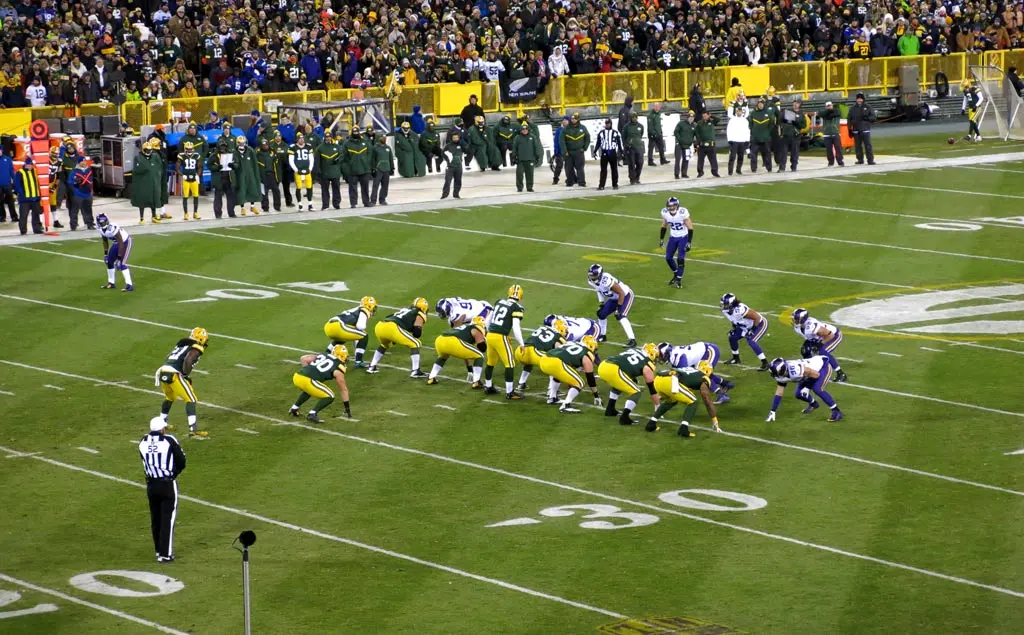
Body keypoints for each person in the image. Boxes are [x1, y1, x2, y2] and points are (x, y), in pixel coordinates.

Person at [139, 417, 186, 563]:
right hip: (167, 484)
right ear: (162, 429)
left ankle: (159, 550)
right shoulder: (169, 440)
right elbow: (182, 461)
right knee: (168, 519)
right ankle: (166, 554)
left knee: (156, 518)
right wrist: (173, 473)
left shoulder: (142, 441)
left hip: (151, 485)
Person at [155, 327, 210, 439]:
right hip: (174, 374)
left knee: (170, 397)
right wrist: (184, 374)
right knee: (191, 399)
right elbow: (188, 360)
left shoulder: (182, 344)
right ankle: (193, 429)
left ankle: (163, 424)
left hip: (163, 370)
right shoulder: (197, 347)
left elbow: (168, 357)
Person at [647, 364, 720, 436]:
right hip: (671, 381)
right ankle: (683, 429)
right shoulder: (704, 377)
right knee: (693, 402)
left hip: (658, 380)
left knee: (672, 401)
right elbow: (706, 397)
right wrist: (714, 420)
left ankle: (651, 424)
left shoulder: (689, 369)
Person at [598, 343, 661, 426]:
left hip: (604, 365)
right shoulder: (647, 364)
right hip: (613, 369)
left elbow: (626, 363)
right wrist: (658, 406)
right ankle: (624, 418)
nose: (656, 359)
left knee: (620, 384)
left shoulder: (634, 350)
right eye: (656, 356)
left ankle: (610, 409)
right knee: (636, 392)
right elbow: (652, 388)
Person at [766, 356, 844, 423]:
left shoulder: (795, 370)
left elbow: (816, 375)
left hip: (822, 367)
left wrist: (807, 388)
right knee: (798, 394)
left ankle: (836, 411)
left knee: (817, 389)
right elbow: (779, 392)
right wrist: (773, 411)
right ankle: (813, 404)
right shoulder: (781, 374)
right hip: (807, 374)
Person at [367, 297, 430, 377]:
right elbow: (417, 333)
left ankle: (372, 366)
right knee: (416, 343)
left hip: (380, 326)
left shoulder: (404, 310)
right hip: (392, 327)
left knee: (385, 345)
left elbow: (390, 317)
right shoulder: (419, 314)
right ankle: (415, 371)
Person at [483, 284, 526, 400]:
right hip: (500, 337)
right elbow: (516, 328)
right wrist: (522, 344)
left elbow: (488, 319)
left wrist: (486, 332)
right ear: (520, 295)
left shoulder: (499, 302)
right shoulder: (516, 308)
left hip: (490, 335)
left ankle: (488, 386)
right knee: (510, 364)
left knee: (491, 361)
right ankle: (510, 392)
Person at [539, 335, 602, 414]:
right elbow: (590, 379)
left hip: (544, 359)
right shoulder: (587, 354)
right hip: (555, 363)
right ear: (591, 346)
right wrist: (596, 396)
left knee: (558, 375)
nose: (595, 351)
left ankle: (552, 398)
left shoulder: (571, 343)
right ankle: (566, 405)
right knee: (579, 383)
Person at [290, 345, 352, 423]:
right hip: (308, 380)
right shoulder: (339, 368)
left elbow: (303, 359)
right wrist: (347, 408)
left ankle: (294, 408)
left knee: (310, 390)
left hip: (297, 376)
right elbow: (343, 389)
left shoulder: (324, 355)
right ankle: (312, 414)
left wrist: (309, 371)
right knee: (330, 396)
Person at [426, 317, 488, 387]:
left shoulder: (466, 327)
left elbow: (466, 353)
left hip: (440, 339)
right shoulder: (476, 328)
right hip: (453, 341)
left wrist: (469, 369)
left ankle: (431, 377)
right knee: (480, 355)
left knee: (443, 357)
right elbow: (482, 347)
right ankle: (476, 381)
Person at [791, 309, 848, 382]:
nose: (794, 320)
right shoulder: (798, 326)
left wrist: (819, 345)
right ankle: (812, 371)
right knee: (805, 350)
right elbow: (810, 337)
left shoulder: (811, 326)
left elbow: (830, 335)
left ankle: (840, 373)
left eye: (796, 319)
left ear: (803, 319)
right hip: (818, 338)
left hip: (833, 336)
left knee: (821, 351)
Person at [586, 264, 637, 345]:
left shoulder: (606, 280)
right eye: (591, 275)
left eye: (594, 275)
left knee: (620, 315)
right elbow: (599, 290)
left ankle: (632, 340)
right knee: (601, 314)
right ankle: (602, 335)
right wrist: (601, 303)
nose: (592, 277)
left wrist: (619, 308)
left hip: (625, 295)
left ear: (600, 274)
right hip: (614, 298)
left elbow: (621, 292)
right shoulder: (591, 281)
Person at [514, 319, 567, 394]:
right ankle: (551, 390)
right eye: (565, 330)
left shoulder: (543, 328)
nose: (566, 332)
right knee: (553, 364)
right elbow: (559, 352)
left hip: (519, 351)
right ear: (561, 329)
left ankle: (521, 384)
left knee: (529, 363)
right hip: (533, 352)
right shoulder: (559, 337)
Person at [719, 293, 769, 370]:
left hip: (759, 324)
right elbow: (734, 320)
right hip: (745, 326)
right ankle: (736, 358)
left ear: (731, 304)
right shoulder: (726, 311)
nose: (723, 306)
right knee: (732, 337)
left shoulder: (739, 309)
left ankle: (765, 363)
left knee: (751, 340)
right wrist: (735, 328)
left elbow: (757, 317)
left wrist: (753, 330)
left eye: (725, 304)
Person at [658, 196, 694, 288]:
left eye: (673, 206)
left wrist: (689, 242)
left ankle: (678, 280)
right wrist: (661, 239)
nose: (671, 208)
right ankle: (676, 274)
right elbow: (664, 225)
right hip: (673, 237)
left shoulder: (682, 213)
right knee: (668, 258)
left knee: (680, 259)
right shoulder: (665, 213)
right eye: (670, 206)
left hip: (683, 237)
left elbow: (690, 227)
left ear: (677, 206)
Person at [98, 214, 135, 292]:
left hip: (125, 242)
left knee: (122, 264)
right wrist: (105, 254)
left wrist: (118, 258)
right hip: (116, 243)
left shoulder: (112, 227)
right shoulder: (100, 229)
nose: (104, 224)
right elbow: (105, 241)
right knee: (109, 261)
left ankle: (129, 285)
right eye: (102, 223)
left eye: (104, 222)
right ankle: (111, 283)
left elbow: (121, 243)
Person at [230, 136, 262, 216]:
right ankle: (242, 208)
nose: (242, 145)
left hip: (249, 173)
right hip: (240, 174)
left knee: (252, 188)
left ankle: (252, 206)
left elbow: (254, 163)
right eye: (240, 143)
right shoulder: (234, 152)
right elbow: (235, 164)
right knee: (242, 190)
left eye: (243, 143)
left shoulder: (250, 151)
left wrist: (255, 174)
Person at [210, 125, 237, 218]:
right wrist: (217, 167)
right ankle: (218, 214)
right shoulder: (214, 155)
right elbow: (209, 165)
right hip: (219, 177)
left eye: (224, 146)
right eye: (221, 146)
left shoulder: (230, 153)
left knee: (230, 196)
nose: (223, 148)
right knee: (218, 197)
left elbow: (236, 163)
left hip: (228, 176)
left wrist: (233, 165)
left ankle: (231, 212)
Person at [342, 127, 373, 208]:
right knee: (352, 188)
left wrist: (366, 161)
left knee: (365, 187)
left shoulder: (365, 142)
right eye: (354, 132)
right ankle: (353, 203)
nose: (356, 133)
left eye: (357, 132)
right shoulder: (347, 144)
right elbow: (345, 156)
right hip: (352, 170)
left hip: (364, 168)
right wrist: (350, 164)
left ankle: (366, 202)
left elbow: (369, 153)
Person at [13, 157, 42, 235]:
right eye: (28, 165)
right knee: (23, 215)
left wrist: (39, 195)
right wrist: (22, 194)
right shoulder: (20, 172)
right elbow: (17, 185)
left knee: (36, 215)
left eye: (30, 165)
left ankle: (37, 229)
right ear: (25, 164)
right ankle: (23, 230)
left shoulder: (36, 171)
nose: (29, 166)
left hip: (35, 198)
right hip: (25, 199)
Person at [560, 112, 590, 187]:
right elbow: (561, 141)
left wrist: (584, 148)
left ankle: (582, 182)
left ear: (578, 119)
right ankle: (570, 182)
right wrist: (565, 151)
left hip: (579, 152)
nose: (573, 120)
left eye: (575, 119)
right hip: (569, 152)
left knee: (580, 168)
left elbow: (587, 138)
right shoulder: (566, 129)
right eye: (572, 119)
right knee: (568, 168)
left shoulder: (583, 128)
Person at [511, 122, 542, 193]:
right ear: (521, 130)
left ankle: (529, 187)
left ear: (528, 130)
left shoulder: (532, 137)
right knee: (519, 174)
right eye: (523, 130)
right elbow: (514, 148)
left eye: (525, 130)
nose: (524, 131)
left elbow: (536, 147)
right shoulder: (517, 138)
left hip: (530, 159)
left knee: (530, 174)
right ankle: (519, 188)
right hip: (520, 160)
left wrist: (537, 156)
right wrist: (514, 156)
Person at [175, 142, 203, 220]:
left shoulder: (196, 156)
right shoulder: (181, 156)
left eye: (191, 149)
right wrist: (181, 175)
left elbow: (199, 167)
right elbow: (177, 168)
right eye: (188, 149)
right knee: (185, 196)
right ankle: (186, 213)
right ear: (185, 149)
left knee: (196, 196)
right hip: (186, 179)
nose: (190, 151)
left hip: (194, 178)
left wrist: (198, 175)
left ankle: (195, 213)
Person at [316, 131, 343, 210]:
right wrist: (318, 172)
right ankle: (325, 205)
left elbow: (342, 156)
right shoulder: (320, 148)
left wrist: (337, 160)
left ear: (331, 137)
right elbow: (317, 160)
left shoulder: (336, 146)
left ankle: (336, 204)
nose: (328, 138)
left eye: (329, 137)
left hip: (335, 171)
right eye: (326, 137)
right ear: (325, 137)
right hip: (325, 172)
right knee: (324, 189)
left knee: (336, 188)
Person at [288, 133, 315, 211]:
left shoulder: (308, 146)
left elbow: (311, 159)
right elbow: (291, 160)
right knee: (299, 187)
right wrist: (296, 169)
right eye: (300, 138)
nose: (301, 140)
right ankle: (300, 204)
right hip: (298, 171)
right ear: (297, 139)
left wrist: (310, 168)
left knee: (309, 187)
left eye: (302, 138)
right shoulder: (293, 148)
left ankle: (310, 204)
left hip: (307, 170)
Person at [594, 119, 623, 190]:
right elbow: (598, 143)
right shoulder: (601, 133)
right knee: (603, 170)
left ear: (611, 124)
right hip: (604, 152)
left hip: (612, 152)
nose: (607, 125)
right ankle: (601, 185)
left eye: (609, 124)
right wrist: (595, 151)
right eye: (606, 124)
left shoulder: (615, 133)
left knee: (614, 169)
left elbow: (619, 143)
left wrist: (622, 152)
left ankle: (615, 184)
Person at [848, 93, 876, 165]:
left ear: (863, 99)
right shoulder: (852, 108)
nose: (859, 100)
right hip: (856, 130)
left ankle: (870, 160)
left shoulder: (868, 107)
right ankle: (860, 160)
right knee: (857, 146)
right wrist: (849, 130)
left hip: (865, 129)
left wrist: (867, 118)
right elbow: (849, 119)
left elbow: (873, 117)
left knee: (868, 145)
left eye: (860, 98)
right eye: (858, 98)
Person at [778, 100, 806, 172]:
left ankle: (794, 167)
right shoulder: (787, 111)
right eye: (795, 103)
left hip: (795, 135)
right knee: (783, 152)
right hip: (786, 134)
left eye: (797, 103)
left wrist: (796, 121)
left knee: (795, 152)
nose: (795, 104)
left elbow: (803, 125)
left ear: (800, 105)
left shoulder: (801, 114)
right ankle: (782, 167)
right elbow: (779, 120)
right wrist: (782, 116)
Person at [748, 98, 773, 173]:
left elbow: (771, 124)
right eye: (759, 104)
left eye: (761, 103)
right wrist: (753, 132)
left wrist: (767, 132)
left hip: (765, 138)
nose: (760, 105)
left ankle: (769, 168)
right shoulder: (753, 113)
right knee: (753, 154)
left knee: (767, 153)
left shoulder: (768, 113)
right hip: (755, 138)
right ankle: (753, 168)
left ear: (764, 104)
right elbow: (750, 124)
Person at [256, 138, 281, 213]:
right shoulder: (257, 153)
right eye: (263, 145)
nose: (265, 146)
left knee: (276, 191)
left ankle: (277, 206)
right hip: (263, 175)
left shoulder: (273, 152)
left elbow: (277, 163)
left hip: (272, 174)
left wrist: (278, 176)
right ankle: (265, 207)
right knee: (264, 192)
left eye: (266, 145)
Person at [726, 96, 750, 175]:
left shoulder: (745, 120)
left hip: (742, 141)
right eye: (738, 111)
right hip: (734, 140)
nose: (739, 113)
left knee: (741, 157)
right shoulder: (732, 120)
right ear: (736, 112)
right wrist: (730, 140)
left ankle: (738, 169)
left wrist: (747, 140)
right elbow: (729, 130)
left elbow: (747, 131)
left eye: (741, 111)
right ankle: (730, 171)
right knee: (732, 157)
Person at [818, 101, 845, 167]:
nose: (829, 107)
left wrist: (829, 112)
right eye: (827, 106)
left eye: (830, 105)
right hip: (827, 134)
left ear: (832, 106)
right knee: (828, 149)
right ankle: (830, 162)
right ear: (825, 107)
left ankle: (840, 161)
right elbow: (820, 114)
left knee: (838, 148)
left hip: (835, 133)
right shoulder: (824, 113)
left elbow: (838, 113)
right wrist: (828, 111)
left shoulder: (837, 111)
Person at [695, 111, 720, 177]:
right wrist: (698, 142)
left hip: (711, 144)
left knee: (713, 159)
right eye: (703, 116)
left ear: (708, 115)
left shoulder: (711, 122)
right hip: (702, 145)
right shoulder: (699, 123)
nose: (704, 117)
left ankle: (714, 172)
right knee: (700, 160)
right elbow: (697, 133)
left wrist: (711, 116)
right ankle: (700, 172)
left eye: (705, 116)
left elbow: (718, 120)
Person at [371, 133, 394, 206]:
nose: (384, 139)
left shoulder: (388, 148)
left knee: (385, 186)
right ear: (378, 138)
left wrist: (392, 168)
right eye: (382, 137)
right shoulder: (375, 148)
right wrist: (373, 169)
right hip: (378, 170)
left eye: (385, 137)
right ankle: (373, 201)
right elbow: (372, 159)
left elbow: (391, 159)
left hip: (386, 169)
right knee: (375, 186)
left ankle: (382, 200)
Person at [441, 130, 464, 200]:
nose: (455, 139)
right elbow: (443, 153)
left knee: (458, 181)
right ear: (452, 138)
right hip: (450, 167)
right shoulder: (448, 146)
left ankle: (456, 194)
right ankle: (445, 194)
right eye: (454, 138)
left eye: (456, 138)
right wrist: (448, 160)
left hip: (458, 166)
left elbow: (467, 149)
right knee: (447, 181)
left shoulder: (461, 144)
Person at [623, 112, 645, 184]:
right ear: (630, 118)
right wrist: (626, 145)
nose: (634, 118)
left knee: (640, 163)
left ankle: (637, 177)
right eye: (633, 117)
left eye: (635, 117)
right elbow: (624, 137)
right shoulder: (626, 127)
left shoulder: (641, 126)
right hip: (630, 148)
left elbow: (641, 134)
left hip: (639, 147)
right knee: (631, 164)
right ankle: (632, 179)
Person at [673, 111, 696, 179]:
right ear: (687, 117)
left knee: (686, 159)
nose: (691, 118)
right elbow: (676, 132)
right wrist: (680, 140)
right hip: (679, 144)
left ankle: (684, 173)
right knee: (678, 159)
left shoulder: (694, 125)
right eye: (690, 117)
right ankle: (676, 174)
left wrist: (694, 142)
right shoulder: (681, 123)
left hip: (687, 145)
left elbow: (696, 134)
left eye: (692, 117)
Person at [550, 116, 568, 185]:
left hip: (568, 151)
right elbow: (556, 141)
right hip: (560, 152)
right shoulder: (559, 130)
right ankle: (555, 179)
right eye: (563, 120)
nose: (564, 121)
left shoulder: (570, 130)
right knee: (559, 165)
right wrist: (556, 151)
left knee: (569, 166)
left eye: (566, 120)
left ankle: (571, 178)